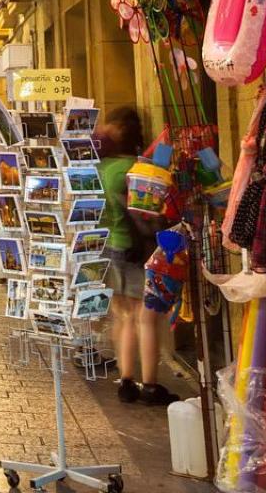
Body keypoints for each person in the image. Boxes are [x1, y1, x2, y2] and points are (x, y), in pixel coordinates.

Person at [99, 106, 177, 405]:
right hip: (135, 249)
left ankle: (126, 380)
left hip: (107, 247)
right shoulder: (137, 169)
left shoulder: (101, 168)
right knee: (146, 317)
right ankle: (150, 384)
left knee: (122, 316)